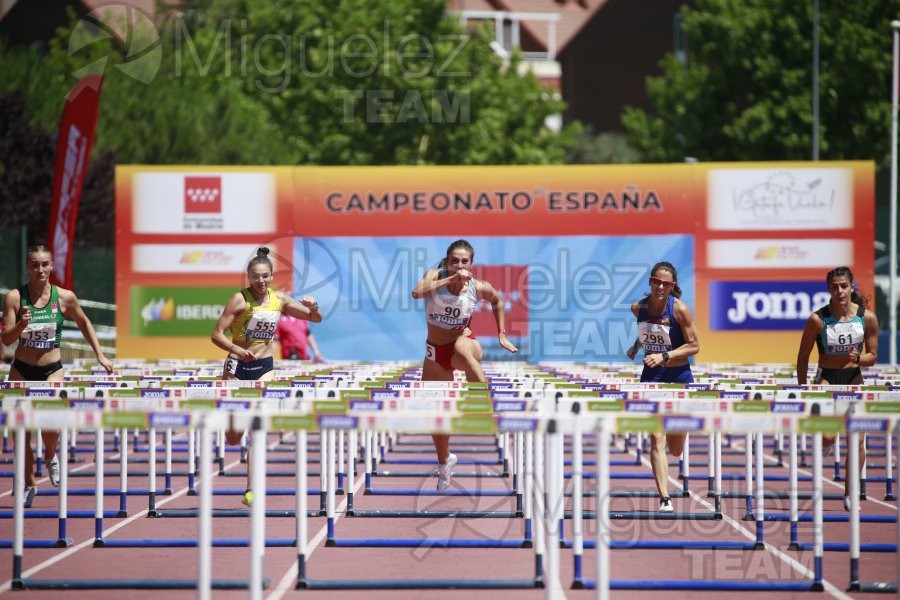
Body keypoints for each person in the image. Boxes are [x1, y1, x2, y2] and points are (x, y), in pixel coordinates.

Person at [1, 244, 114, 508]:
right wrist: (22, 325)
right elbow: (6, 339)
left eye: (44, 264)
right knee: (21, 433)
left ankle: (50, 455)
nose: (40, 269)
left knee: (49, 429)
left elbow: (85, 323)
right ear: (28, 268)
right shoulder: (15, 298)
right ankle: (28, 484)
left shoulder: (65, 297)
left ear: (52, 266)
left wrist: (100, 354)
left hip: (52, 370)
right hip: (21, 369)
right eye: (34, 265)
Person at [210, 247, 322, 506]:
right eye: (256, 276)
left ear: (272, 276)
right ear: (248, 277)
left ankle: (251, 490)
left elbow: (315, 318)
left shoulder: (279, 300)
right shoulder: (239, 300)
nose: (261, 281)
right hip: (236, 368)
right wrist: (237, 349)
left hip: (265, 368)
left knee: (257, 429)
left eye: (266, 276)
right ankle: (231, 427)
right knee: (233, 436)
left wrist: (313, 305)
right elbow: (216, 335)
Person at [411, 239, 519, 493]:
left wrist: (501, 333)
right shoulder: (434, 277)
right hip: (435, 353)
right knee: (436, 420)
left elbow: (498, 300)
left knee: (462, 350)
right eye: (454, 261)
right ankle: (444, 461)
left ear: (471, 264)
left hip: (465, 341)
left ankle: (484, 407)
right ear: (447, 262)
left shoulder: (477, 287)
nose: (459, 265)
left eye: (464, 261)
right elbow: (417, 293)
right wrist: (450, 280)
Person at [796, 266, 879, 510]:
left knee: (857, 441)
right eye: (834, 287)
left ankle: (850, 492)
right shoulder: (818, 319)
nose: (840, 290)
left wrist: (858, 359)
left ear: (851, 287)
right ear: (829, 290)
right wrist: (804, 391)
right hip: (827, 378)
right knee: (828, 436)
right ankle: (828, 441)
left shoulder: (867, 318)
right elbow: (802, 357)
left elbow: (872, 356)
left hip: (853, 377)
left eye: (844, 286)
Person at [626, 261, 700, 512]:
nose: (660, 287)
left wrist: (665, 356)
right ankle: (665, 497)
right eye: (656, 281)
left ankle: (676, 444)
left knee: (676, 448)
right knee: (656, 439)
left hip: (679, 376)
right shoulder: (638, 308)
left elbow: (694, 346)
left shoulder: (679, 310)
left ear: (673, 287)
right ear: (650, 281)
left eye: (665, 284)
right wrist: (637, 347)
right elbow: (649, 330)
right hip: (652, 377)